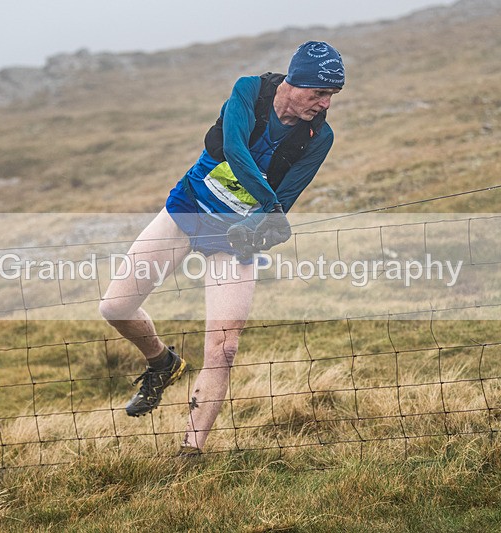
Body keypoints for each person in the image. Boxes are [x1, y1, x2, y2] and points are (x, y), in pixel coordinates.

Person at [99, 40, 345, 454]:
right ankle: (162, 362)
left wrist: (259, 227)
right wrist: (269, 207)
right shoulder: (250, 91)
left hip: (235, 238)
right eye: (318, 93)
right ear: (293, 81)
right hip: (188, 209)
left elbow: (288, 196)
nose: (324, 104)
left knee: (225, 348)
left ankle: (189, 453)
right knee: (115, 308)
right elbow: (235, 150)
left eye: (332, 96)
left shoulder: (318, 137)